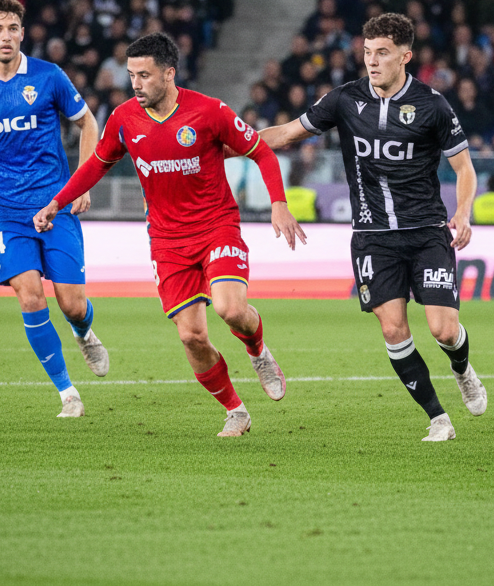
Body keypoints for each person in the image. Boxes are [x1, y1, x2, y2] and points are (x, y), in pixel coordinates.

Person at [34, 32, 304, 437]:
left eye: (144, 75)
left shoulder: (209, 111)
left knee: (231, 309)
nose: (136, 83)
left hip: (217, 226)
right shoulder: (125, 118)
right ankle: (235, 410)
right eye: (131, 75)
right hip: (167, 241)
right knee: (192, 336)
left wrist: (278, 203)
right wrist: (58, 201)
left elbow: (260, 150)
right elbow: (96, 164)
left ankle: (258, 351)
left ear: (169, 73)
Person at [261, 13, 485, 442]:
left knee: (443, 329)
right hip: (372, 236)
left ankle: (463, 370)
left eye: (382, 52)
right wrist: (230, 139)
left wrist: (464, 211)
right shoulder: (344, 99)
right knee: (392, 328)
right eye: (367, 52)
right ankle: (438, 418)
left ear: (406, 56)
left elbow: (464, 168)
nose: (372, 61)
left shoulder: (433, 105)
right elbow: (286, 134)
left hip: (426, 231)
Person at [0, 0, 108, 419]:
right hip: (3, 212)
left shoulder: (48, 76)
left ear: (22, 32)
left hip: (54, 205)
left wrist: (83, 180)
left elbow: (87, 122)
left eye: (13, 28)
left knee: (71, 303)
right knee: (31, 298)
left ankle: (84, 331)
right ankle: (67, 393)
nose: (6, 36)